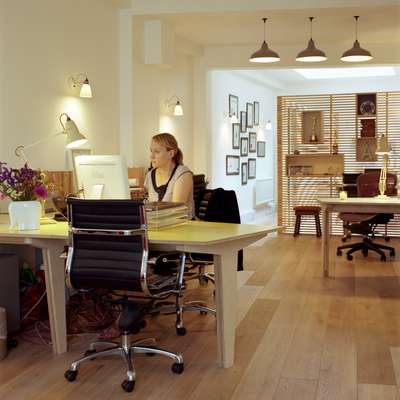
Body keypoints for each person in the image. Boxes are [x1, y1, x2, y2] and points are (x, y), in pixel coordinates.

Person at [144, 133, 194, 218]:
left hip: (182, 227)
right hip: (158, 226)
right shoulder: (150, 175)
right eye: (151, 151)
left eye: (157, 152)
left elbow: (176, 212)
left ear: (171, 154)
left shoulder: (183, 174)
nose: (151, 156)